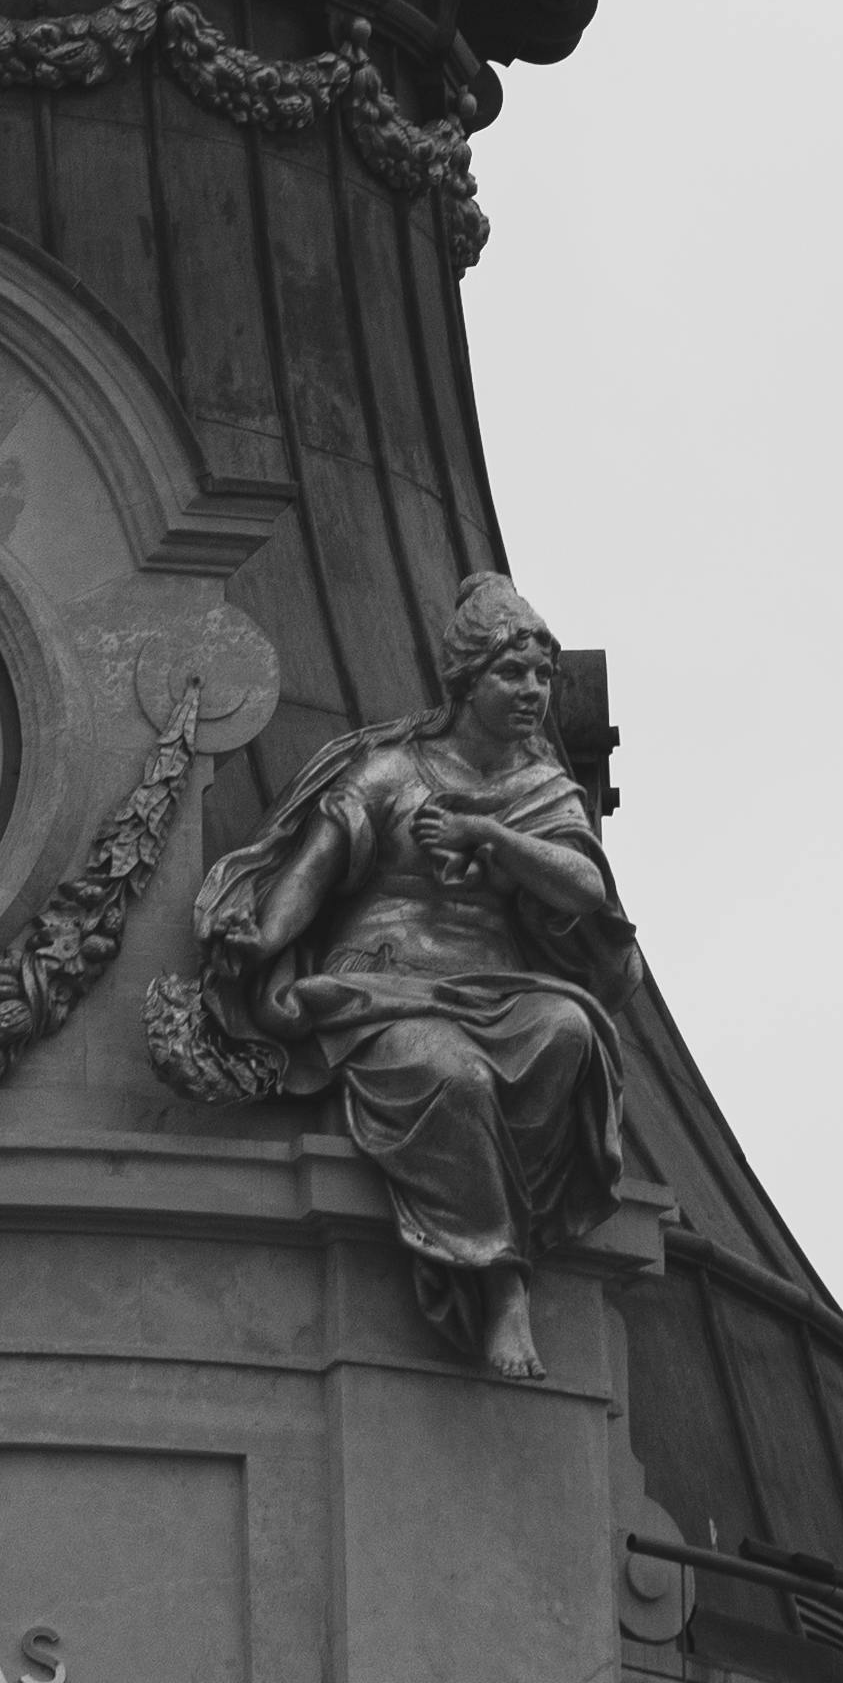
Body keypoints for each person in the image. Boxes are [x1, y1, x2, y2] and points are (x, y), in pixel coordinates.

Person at [185, 572, 634, 1379]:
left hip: (498, 987)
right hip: (382, 983)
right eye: (511, 672)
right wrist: (260, 937)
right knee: (449, 1072)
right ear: (465, 681)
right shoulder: (391, 770)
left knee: (569, 1033)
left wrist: (486, 835)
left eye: (542, 674)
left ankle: (503, 1214)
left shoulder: (539, 790)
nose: (532, 690)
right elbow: (309, 874)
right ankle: (502, 1284)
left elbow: (585, 887)